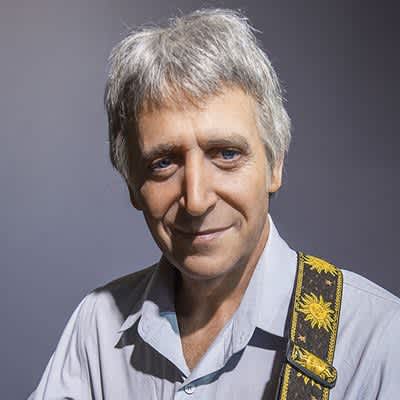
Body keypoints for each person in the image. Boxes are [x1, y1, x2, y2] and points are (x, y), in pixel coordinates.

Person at [28, 8, 400, 400]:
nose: (196, 200)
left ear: (274, 165)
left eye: (226, 154)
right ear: (132, 185)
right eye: (163, 163)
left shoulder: (379, 339)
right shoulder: (97, 327)